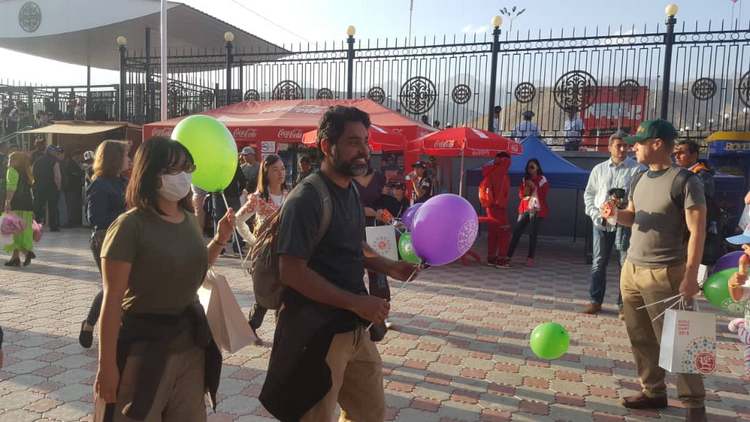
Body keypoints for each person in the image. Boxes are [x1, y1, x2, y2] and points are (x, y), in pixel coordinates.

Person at [259, 106, 418, 421]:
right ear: (326, 146)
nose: (364, 151)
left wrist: (389, 266)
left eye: (366, 141)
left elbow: (354, 245)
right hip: (317, 335)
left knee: (370, 414)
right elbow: (291, 270)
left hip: (355, 328)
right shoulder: (306, 199)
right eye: (353, 142)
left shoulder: (350, 191)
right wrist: (356, 302)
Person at [95, 137, 235, 421]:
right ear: (150, 173)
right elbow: (112, 300)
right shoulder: (129, 226)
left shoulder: (189, 219)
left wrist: (220, 240)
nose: (183, 176)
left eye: (187, 168)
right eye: (174, 169)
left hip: (190, 346)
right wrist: (107, 366)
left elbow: (193, 271)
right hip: (143, 348)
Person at [601, 119, 707, 421]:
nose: (633, 147)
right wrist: (615, 215)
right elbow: (632, 217)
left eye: (639, 142)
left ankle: (694, 405)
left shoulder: (685, 181)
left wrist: (690, 276)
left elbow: (697, 231)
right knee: (640, 336)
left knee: (682, 341)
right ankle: (653, 391)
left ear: (657, 144)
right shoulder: (639, 178)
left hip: (666, 273)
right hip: (632, 269)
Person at [581, 132, 641, 317]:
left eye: (625, 146)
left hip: (624, 224)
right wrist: (595, 214)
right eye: (618, 146)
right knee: (598, 262)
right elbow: (589, 194)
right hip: (601, 224)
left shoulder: (638, 169)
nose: (622, 149)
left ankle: (624, 305)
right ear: (609, 147)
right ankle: (595, 300)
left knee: (625, 264)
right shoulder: (598, 169)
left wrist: (626, 210)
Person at [78, 141, 130, 349]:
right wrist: (125, 214)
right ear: (115, 159)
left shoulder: (123, 181)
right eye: (126, 155)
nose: (129, 159)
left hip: (124, 237)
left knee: (120, 285)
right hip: (104, 239)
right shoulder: (99, 184)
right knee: (114, 286)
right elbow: (95, 218)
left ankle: (101, 325)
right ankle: (92, 324)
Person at [234, 154, 288, 343]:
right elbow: (238, 220)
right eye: (275, 170)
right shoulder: (258, 199)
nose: (281, 173)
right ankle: (251, 328)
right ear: (266, 173)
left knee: (284, 293)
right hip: (265, 255)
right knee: (265, 293)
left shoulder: (290, 196)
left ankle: (281, 334)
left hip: (285, 252)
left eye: (283, 169)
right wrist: (252, 240)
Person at [354, 166, 390, 334]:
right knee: (354, 271)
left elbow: (386, 200)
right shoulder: (346, 177)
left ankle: (382, 313)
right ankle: (357, 311)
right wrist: (362, 211)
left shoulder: (378, 177)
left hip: (375, 229)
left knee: (378, 270)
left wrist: (382, 212)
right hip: (352, 228)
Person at [504, 158, 549, 267]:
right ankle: (508, 256)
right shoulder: (525, 179)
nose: (530, 169)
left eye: (532, 167)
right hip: (525, 208)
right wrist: (526, 189)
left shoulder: (542, 179)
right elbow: (521, 195)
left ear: (537, 168)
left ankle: (530, 257)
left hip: (537, 209)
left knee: (532, 233)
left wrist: (534, 186)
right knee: (517, 232)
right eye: (528, 167)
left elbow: (543, 194)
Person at [3, 152, 35, 266]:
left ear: (17, 161)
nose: (8, 162)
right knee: (22, 232)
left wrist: (7, 202)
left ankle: (26, 252)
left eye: (10, 159)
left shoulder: (12, 170)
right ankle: (15, 258)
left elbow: (11, 187)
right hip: (27, 205)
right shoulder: (26, 172)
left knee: (13, 232)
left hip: (15, 204)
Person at [480, 152, 512, 268]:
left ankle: (491, 258)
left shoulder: (490, 172)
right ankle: (501, 260)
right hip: (498, 208)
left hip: (490, 208)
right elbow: (502, 194)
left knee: (493, 233)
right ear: (506, 161)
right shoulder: (501, 173)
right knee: (504, 233)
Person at [212, 163, 247, 256]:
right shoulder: (233, 162)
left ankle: (219, 248)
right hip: (232, 195)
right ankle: (237, 248)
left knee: (218, 220)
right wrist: (239, 191)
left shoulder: (215, 164)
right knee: (236, 220)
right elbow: (243, 180)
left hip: (218, 194)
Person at [33, 145, 63, 232]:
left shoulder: (37, 161)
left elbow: (33, 173)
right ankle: (53, 226)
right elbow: (57, 176)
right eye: (55, 151)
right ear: (52, 152)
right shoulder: (55, 161)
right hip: (52, 187)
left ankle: (36, 225)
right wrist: (58, 187)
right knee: (53, 207)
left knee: (38, 207)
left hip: (39, 187)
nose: (56, 153)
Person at [62, 151, 85, 228]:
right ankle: (70, 221)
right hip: (71, 187)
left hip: (74, 188)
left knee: (73, 204)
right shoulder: (71, 163)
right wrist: (81, 172)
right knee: (71, 205)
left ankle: (73, 221)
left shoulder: (74, 163)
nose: (81, 158)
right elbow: (75, 173)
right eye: (80, 157)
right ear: (76, 156)